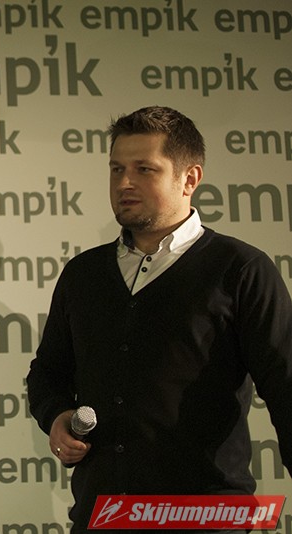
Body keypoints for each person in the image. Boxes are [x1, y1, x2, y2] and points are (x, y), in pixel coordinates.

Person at [26, 106, 292, 532]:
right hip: (103, 518)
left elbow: (286, 387)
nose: (124, 183)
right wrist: (56, 416)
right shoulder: (83, 274)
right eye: (116, 169)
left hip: (206, 520)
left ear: (190, 179)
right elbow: (48, 372)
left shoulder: (240, 269)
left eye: (144, 169)